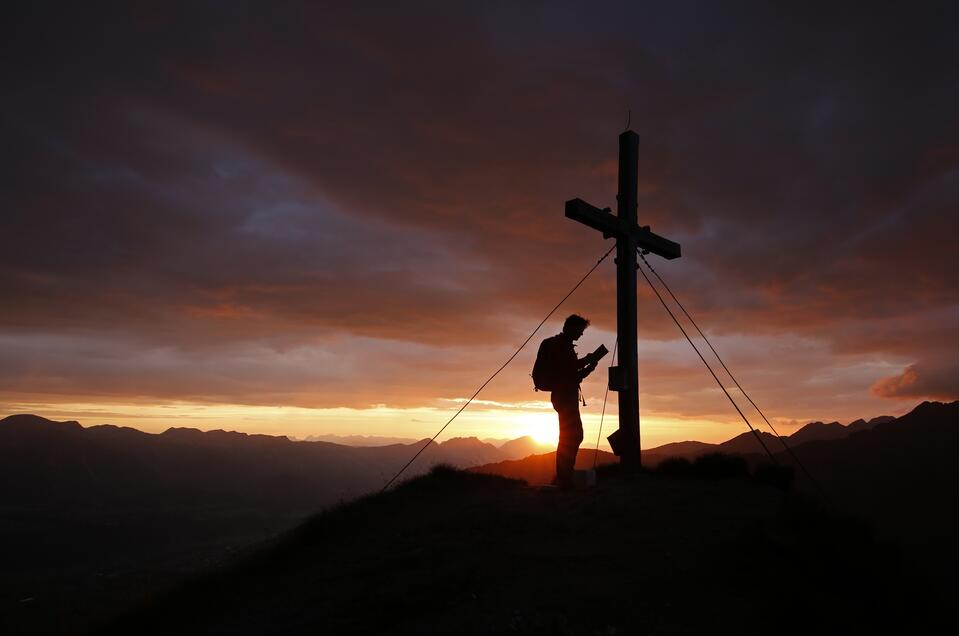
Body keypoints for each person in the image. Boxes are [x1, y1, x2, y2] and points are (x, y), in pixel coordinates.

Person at [536, 314, 598, 489]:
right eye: (580, 330)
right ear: (571, 328)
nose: (581, 334)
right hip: (565, 396)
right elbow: (571, 375)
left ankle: (564, 476)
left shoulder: (559, 345)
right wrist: (590, 368)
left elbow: (569, 369)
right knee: (573, 435)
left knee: (569, 435)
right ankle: (564, 478)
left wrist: (587, 361)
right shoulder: (562, 347)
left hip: (562, 396)